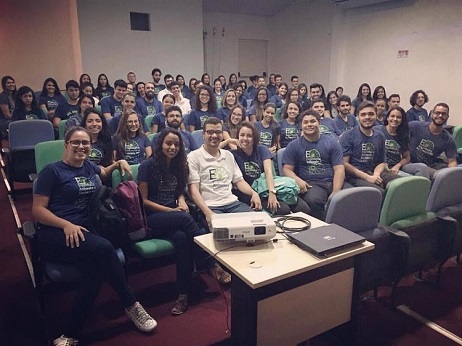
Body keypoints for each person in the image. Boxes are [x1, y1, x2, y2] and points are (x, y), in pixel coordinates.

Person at [32, 127, 156, 346]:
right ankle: (131, 304)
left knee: (95, 270)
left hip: (85, 233)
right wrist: (66, 225)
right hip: (55, 233)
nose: (81, 147)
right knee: (106, 248)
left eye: (86, 143)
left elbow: (104, 173)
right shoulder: (52, 172)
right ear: (66, 145)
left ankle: (70, 334)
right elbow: (38, 211)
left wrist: (119, 163)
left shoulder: (89, 167)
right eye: (76, 143)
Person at [139, 128, 228, 315]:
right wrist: (173, 210)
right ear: (160, 144)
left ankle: (183, 294)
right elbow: (144, 201)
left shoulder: (179, 165)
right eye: (168, 143)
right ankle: (209, 263)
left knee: (182, 239)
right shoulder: (147, 166)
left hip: (175, 219)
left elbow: (179, 190)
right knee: (185, 219)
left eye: (176, 144)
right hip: (152, 218)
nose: (172, 147)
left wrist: (179, 199)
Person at [187, 117, 262, 228]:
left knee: (256, 225)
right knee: (226, 231)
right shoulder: (193, 157)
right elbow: (193, 191)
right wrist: (207, 213)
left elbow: (239, 181)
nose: (214, 136)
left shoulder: (228, 155)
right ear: (203, 134)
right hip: (210, 206)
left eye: (218, 132)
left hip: (232, 203)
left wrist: (253, 193)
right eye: (210, 132)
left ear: (222, 135)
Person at [233, 121, 309, 215]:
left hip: (268, 187)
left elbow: (268, 172)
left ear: (254, 137)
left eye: (249, 136)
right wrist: (228, 141)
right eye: (242, 135)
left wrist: (272, 193)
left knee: (304, 208)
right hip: (251, 193)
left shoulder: (262, 150)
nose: (245, 138)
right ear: (238, 136)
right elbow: (212, 153)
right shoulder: (233, 154)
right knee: (283, 210)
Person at [282, 110, 346, 220]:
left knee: (351, 195)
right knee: (314, 200)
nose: (309, 124)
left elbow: (339, 169)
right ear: (301, 126)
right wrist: (298, 181)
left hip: (332, 181)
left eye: (313, 121)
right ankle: (322, 229)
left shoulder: (332, 143)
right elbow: (287, 170)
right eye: (305, 122)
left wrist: (336, 192)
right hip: (311, 185)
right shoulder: (293, 146)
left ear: (319, 123)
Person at [340, 101, 398, 195]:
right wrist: (367, 177)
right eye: (363, 114)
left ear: (376, 115)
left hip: (373, 172)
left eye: (371, 114)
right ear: (358, 117)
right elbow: (344, 164)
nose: (367, 117)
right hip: (354, 177)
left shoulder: (380, 136)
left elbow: (381, 162)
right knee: (379, 192)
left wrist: (376, 175)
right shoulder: (348, 136)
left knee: (401, 184)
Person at [402, 103, 457, 179]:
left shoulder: (448, 138)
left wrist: (451, 175)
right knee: (426, 169)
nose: (440, 116)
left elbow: (452, 161)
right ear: (432, 114)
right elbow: (398, 134)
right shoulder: (415, 126)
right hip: (409, 163)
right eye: (438, 113)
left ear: (447, 117)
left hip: (430, 165)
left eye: (443, 114)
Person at [376, 107, 427, 176]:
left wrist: (398, 165)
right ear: (387, 118)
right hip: (381, 167)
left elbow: (407, 157)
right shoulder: (378, 130)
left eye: (398, 117)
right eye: (392, 116)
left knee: (422, 168)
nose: (395, 119)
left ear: (402, 120)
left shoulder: (403, 135)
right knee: (409, 179)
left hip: (397, 166)